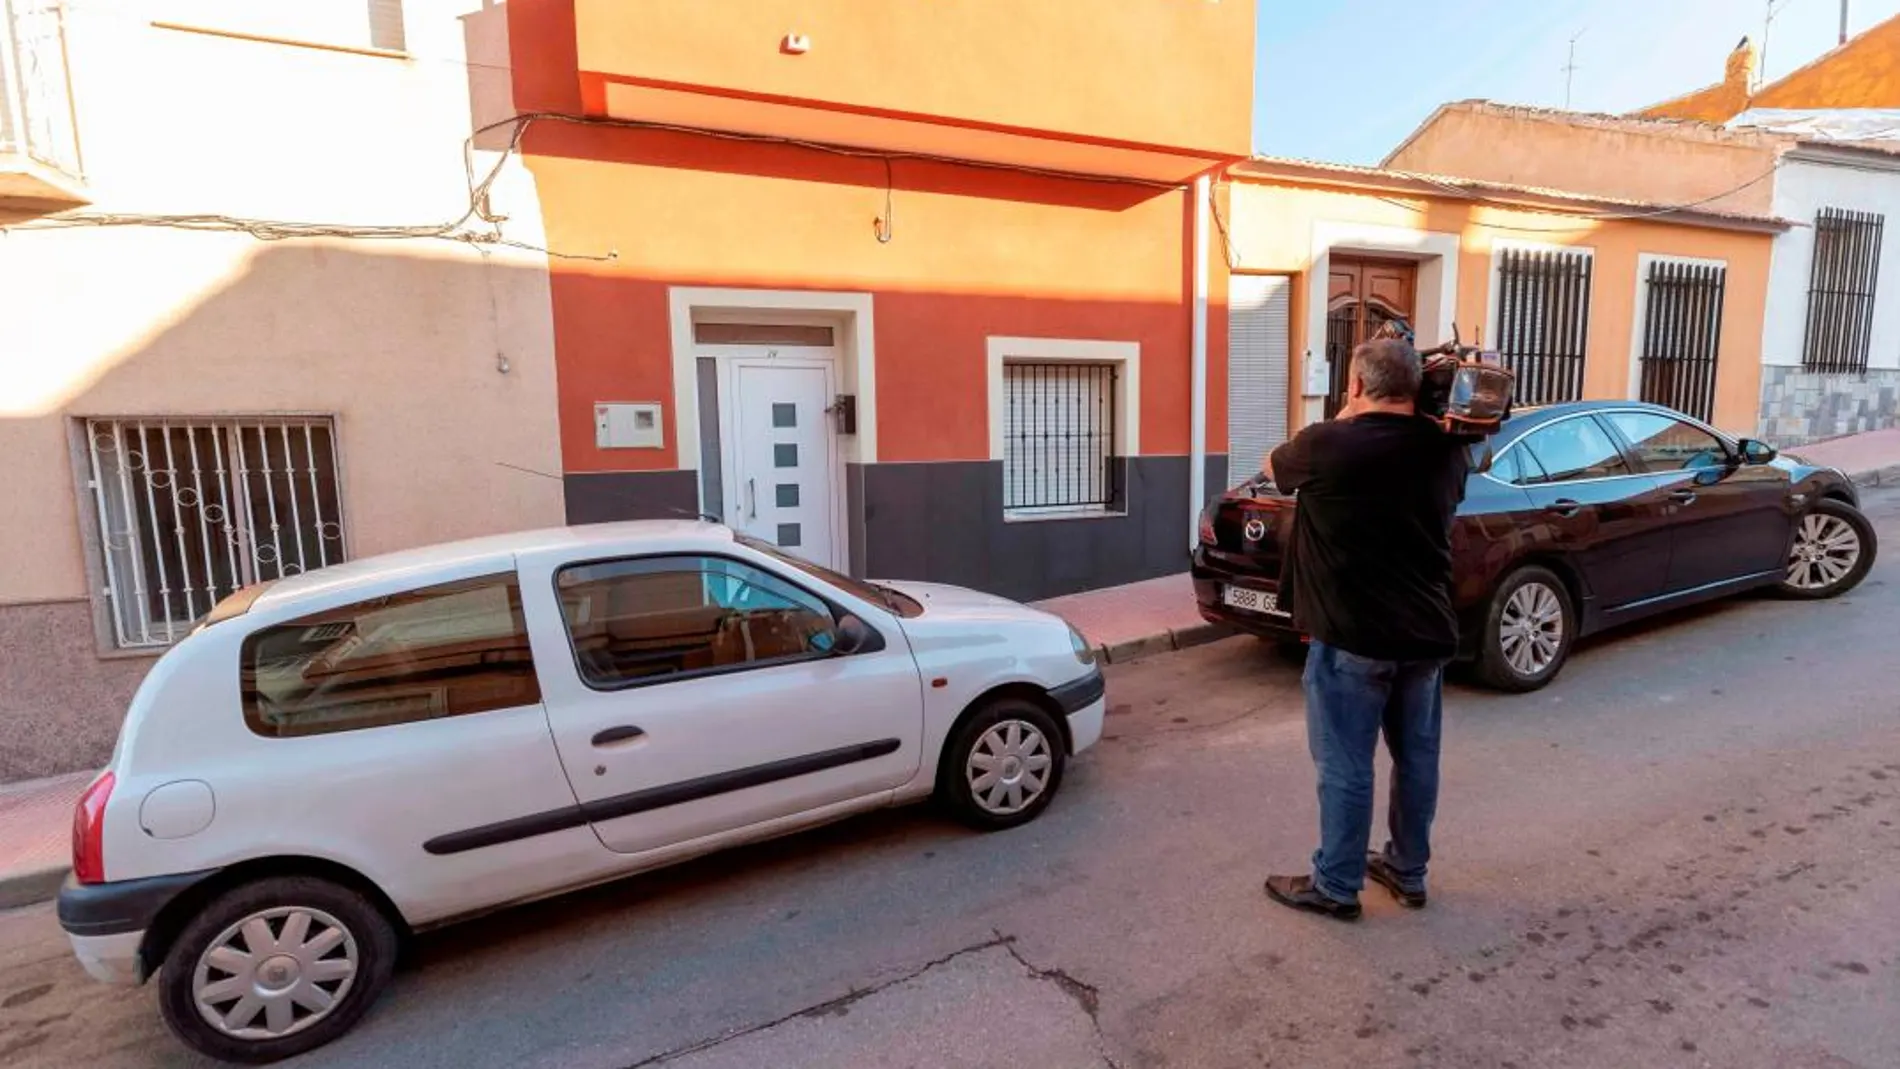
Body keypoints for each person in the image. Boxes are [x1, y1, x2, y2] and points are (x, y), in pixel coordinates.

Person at [1260, 337, 1472, 921]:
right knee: (1417, 758)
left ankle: (1335, 884)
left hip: (1352, 638)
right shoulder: (1448, 450)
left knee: (1346, 764)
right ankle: (1408, 870)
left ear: (1354, 386)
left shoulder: (1328, 444)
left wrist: (1343, 416)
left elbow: (1272, 467)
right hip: (1425, 635)